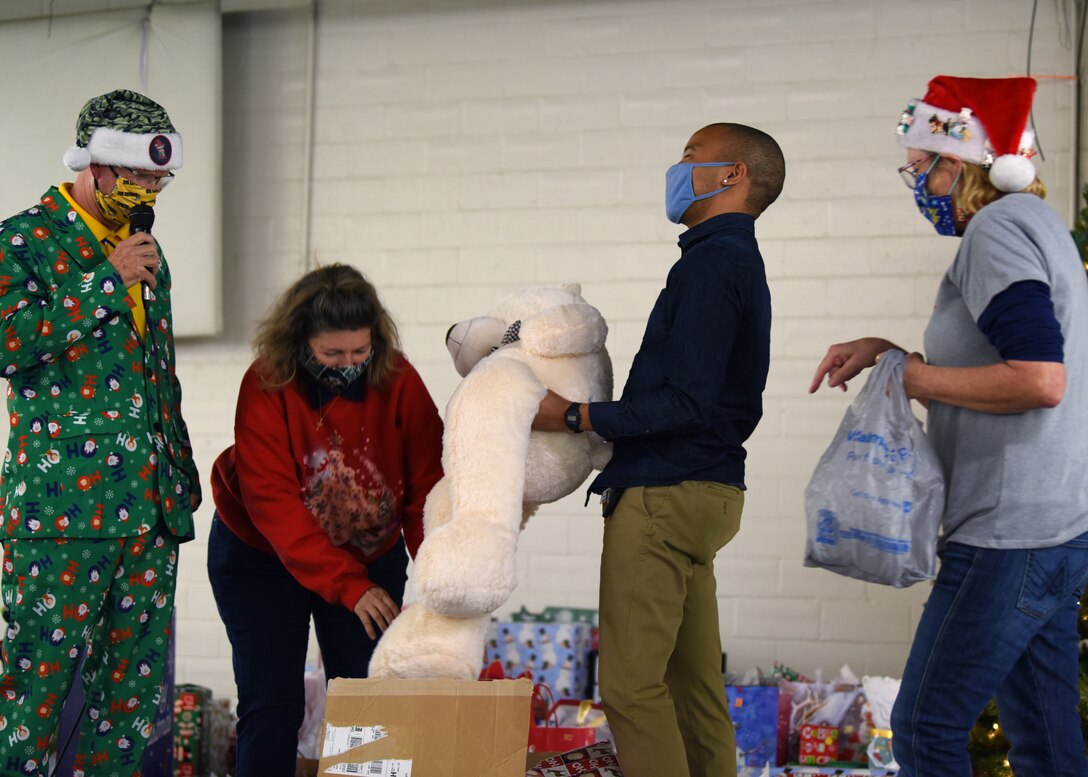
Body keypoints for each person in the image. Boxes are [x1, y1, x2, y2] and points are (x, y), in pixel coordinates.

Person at [810, 75, 1088, 776]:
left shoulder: (996, 231)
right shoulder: (1039, 225)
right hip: (1055, 526)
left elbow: (1036, 380)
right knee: (1048, 741)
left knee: (925, 725)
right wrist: (892, 355)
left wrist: (907, 375)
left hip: (1005, 531)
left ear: (957, 165)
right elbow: (1002, 382)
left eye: (920, 167)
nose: (916, 183)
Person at [534, 123, 786, 777]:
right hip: (708, 490)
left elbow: (685, 401)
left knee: (630, 687)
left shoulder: (710, 265)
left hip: (664, 491)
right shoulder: (735, 261)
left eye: (690, 157)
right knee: (692, 686)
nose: (678, 168)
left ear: (733, 175)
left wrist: (571, 413)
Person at [0, 89, 200, 775]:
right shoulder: (24, 239)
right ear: (97, 166)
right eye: (140, 175)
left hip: (148, 512)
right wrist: (105, 284)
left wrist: (179, 473)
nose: (150, 189)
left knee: (129, 708)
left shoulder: (147, 252)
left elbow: (156, 375)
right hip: (62, 513)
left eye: (158, 179)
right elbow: (7, 342)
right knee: (33, 701)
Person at [208, 263, 443, 777]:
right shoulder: (267, 384)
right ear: (299, 341)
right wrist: (346, 585)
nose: (349, 364)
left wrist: (437, 578)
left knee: (367, 701)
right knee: (273, 703)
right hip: (263, 556)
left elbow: (426, 489)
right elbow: (274, 504)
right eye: (332, 353)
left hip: (367, 553)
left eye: (360, 351)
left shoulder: (399, 380)